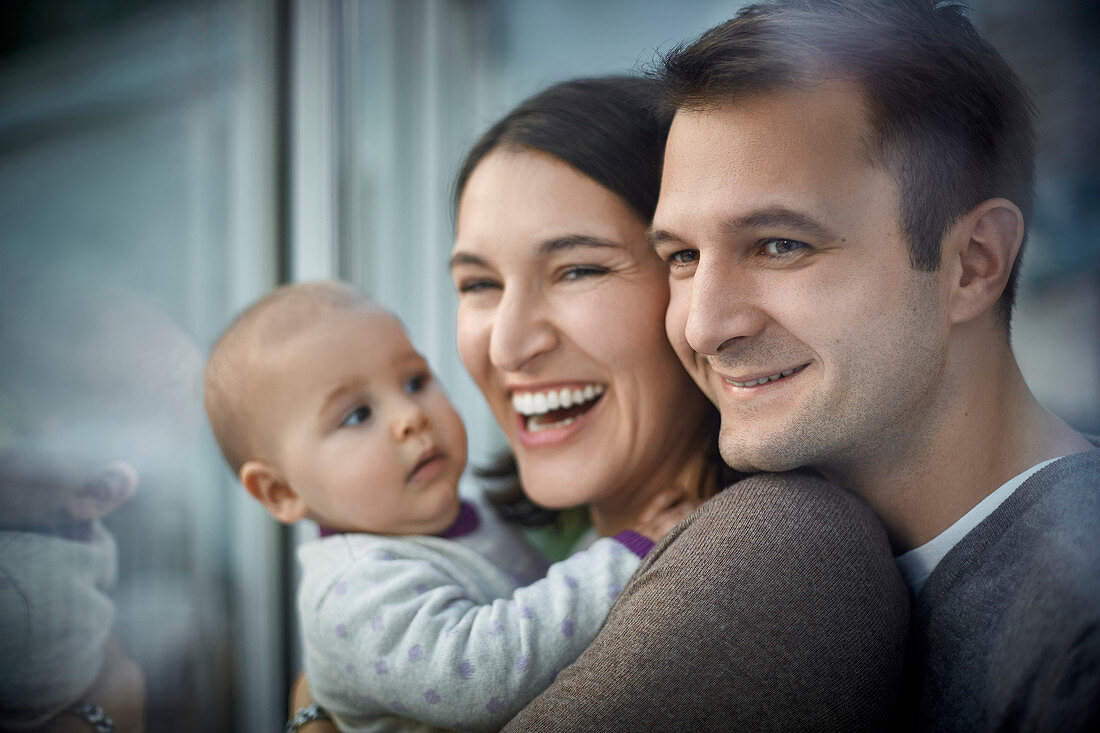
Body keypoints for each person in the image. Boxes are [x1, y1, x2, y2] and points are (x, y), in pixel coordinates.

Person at [292, 76, 910, 732]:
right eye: (478, 283)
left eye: (578, 270)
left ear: (690, 280)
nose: (508, 343)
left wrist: (310, 718)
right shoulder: (544, 548)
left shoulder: (773, 545)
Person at [633, 0, 1098, 730]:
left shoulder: (1077, 640)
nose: (705, 325)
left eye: (779, 244)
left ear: (973, 264)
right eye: (683, 256)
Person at [203, 281, 695, 731]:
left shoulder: (472, 514)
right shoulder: (353, 590)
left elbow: (546, 595)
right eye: (357, 414)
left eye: (415, 381)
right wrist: (626, 553)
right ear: (280, 492)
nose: (410, 417)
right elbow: (479, 676)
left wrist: (626, 532)